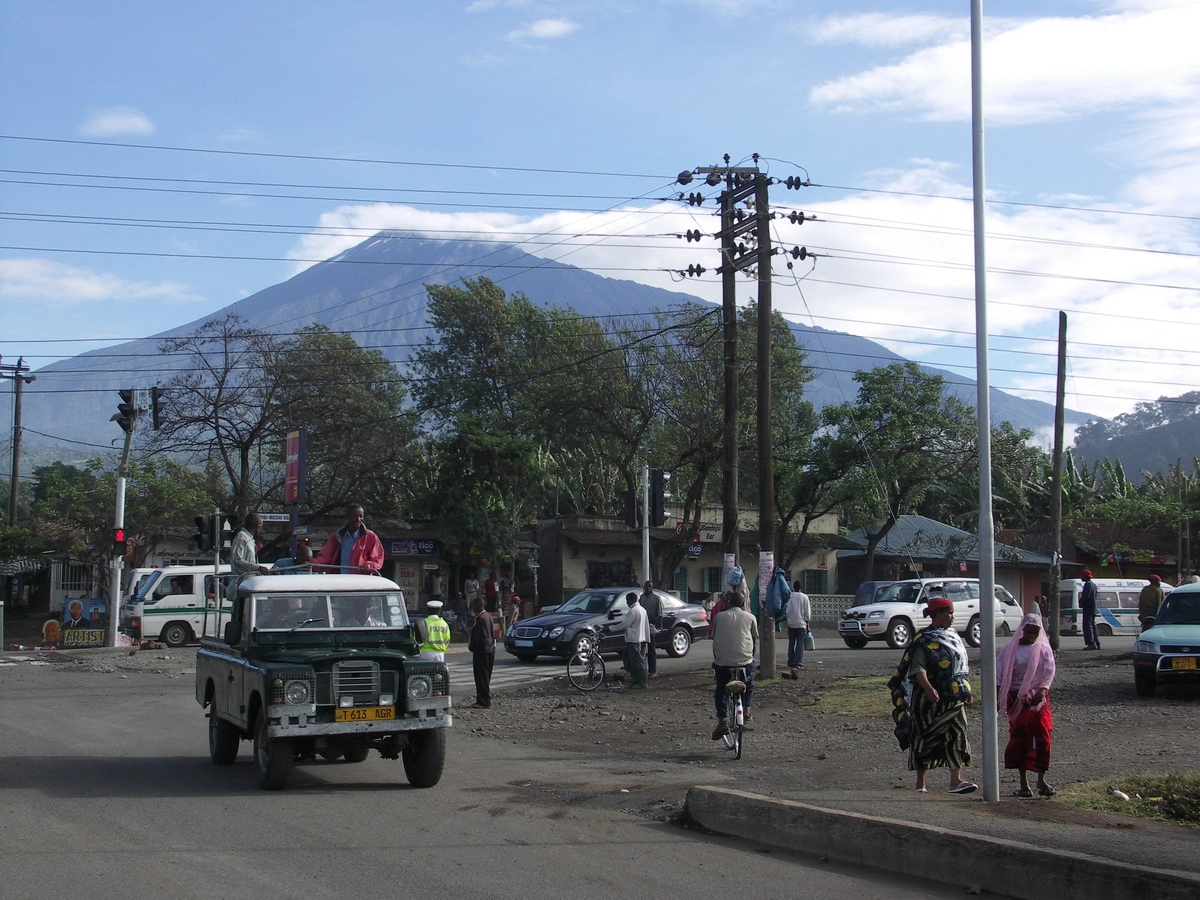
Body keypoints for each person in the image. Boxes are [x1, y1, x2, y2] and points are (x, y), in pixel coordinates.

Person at [887, 596, 977, 794]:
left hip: (953, 698)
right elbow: (918, 668)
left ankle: (956, 781)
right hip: (928, 700)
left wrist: (966, 690)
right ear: (937, 615)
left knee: (958, 734)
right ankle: (921, 783)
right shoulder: (924, 640)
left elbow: (960, 667)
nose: (952, 617)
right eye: (949, 613)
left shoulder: (953, 636)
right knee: (924, 737)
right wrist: (928, 688)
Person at [996, 613, 1057, 798]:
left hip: (1038, 699)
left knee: (1043, 736)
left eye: (1035, 632)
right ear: (1022, 630)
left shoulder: (1043, 650)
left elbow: (1049, 672)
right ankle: (1024, 784)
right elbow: (1000, 674)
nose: (1031, 635)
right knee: (1020, 737)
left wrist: (1041, 692)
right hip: (1016, 698)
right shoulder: (1010, 650)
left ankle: (1041, 779)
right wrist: (999, 696)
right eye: (1028, 631)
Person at [710, 589, 758, 740]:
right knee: (749, 685)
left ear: (728, 603)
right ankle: (747, 711)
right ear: (744, 603)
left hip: (722, 663)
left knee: (721, 690)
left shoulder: (719, 616)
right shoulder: (750, 617)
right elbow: (754, 639)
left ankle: (722, 721)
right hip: (745, 662)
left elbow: (714, 637)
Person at [312, 504, 384, 575]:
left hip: (361, 581)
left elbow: (377, 558)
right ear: (347, 517)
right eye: (354, 516)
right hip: (340, 581)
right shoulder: (337, 536)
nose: (358, 519)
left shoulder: (370, 536)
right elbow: (325, 556)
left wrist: (368, 566)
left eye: (361, 516)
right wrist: (312, 563)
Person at [609, 590, 650, 689]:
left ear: (632, 599)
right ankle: (636, 679)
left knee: (638, 662)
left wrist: (611, 628)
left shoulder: (634, 611)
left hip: (634, 639)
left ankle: (642, 682)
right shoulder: (642, 610)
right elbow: (646, 626)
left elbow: (625, 624)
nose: (627, 603)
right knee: (628, 660)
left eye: (628, 600)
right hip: (641, 639)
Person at [468, 597, 494, 708]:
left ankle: (483, 701)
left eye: (474, 605)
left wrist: (476, 649)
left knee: (481, 678)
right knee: (485, 677)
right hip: (489, 650)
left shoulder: (481, 619)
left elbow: (482, 637)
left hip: (482, 652)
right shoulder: (488, 616)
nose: (472, 608)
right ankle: (483, 699)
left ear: (479, 606)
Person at [784, 580, 812, 678]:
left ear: (793, 587)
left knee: (791, 643)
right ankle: (798, 663)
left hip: (791, 623)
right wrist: (807, 624)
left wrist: (788, 619)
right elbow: (807, 613)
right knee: (800, 644)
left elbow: (787, 610)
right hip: (801, 624)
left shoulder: (790, 596)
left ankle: (790, 661)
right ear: (801, 588)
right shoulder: (805, 597)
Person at [231, 513, 270, 578]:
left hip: (250, 582)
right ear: (258, 526)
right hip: (241, 584)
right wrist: (257, 568)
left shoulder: (249, 539)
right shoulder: (241, 538)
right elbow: (237, 560)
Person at [639, 581, 663, 677]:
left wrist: (660, 627)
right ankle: (641, 669)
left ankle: (652, 670)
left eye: (650, 586)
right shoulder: (642, 597)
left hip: (651, 624)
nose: (648, 588)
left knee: (651, 648)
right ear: (644, 587)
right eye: (647, 586)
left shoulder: (656, 598)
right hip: (642, 624)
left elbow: (660, 614)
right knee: (642, 647)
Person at [1080, 568, 1100, 649]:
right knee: (1093, 626)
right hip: (1093, 608)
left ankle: (1091, 643)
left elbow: (1086, 596)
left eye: (1082, 575)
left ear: (1086, 576)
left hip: (1088, 608)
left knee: (1087, 626)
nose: (1081, 577)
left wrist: (1081, 602)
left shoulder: (1088, 584)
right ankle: (1097, 643)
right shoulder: (1094, 585)